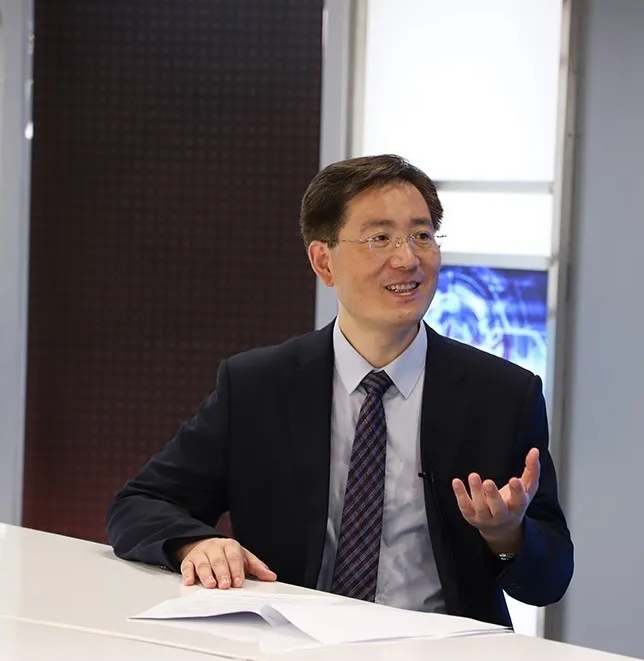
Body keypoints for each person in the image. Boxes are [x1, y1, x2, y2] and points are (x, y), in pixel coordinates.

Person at [105, 154, 574, 626]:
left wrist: (506, 536)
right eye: (380, 238)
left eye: (421, 235)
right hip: (288, 645)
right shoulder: (257, 387)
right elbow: (139, 504)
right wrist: (196, 543)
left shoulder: (503, 396)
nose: (407, 259)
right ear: (323, 261)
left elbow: (550, 580)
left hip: (441, 653)